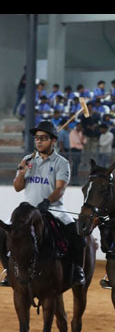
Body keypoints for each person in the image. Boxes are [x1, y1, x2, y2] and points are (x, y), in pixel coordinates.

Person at [1, 121, 85, 287]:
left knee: (76, 235)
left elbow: (60, 189)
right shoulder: (27, 160)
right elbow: (18, 188)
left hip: (53, 209)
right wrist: (21, 173)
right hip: (27, 211)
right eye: (37, 138)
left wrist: (47, 201)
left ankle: (77, 269)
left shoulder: (62, 163)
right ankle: (8, 271)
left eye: (43, 138)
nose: (39, 141)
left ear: (53, 141)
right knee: (4, 236)